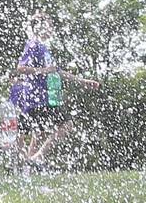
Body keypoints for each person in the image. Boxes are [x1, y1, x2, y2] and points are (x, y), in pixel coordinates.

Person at [14, 12, 99, 167]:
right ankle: (38, 157)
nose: (51, 29)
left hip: (43, 96)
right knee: (67, 125)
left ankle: (29, 166)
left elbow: (57, 71)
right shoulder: (34, 45)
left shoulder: (44, 48)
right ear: (39, 27)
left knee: (39, 133)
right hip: (37, 96)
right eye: (49, 25)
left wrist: (81, 81)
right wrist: (44, 71)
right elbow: (20, 68)